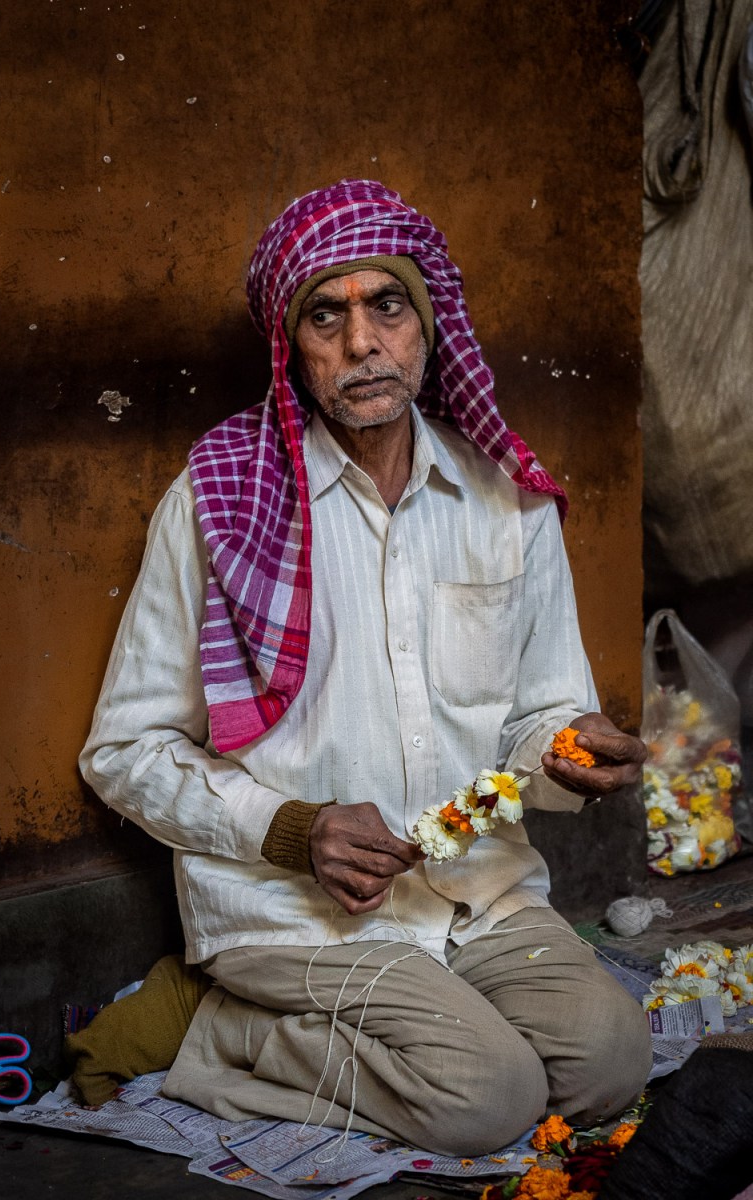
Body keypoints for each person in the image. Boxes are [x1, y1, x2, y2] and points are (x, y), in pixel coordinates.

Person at [80, 179, 651, 1156]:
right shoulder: (217, 503)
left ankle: (433, 1025)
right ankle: (213, 1023)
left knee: (608, 1065)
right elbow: (123, 750)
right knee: (486, 1099)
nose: (360, 343)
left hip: (476, 887)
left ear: (427, 323)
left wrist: (565, 750)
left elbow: (541, 716)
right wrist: (293, 829)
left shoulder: (503, 500)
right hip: (292, 914)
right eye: (324, 315)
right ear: (288, 346)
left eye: (384, 305)